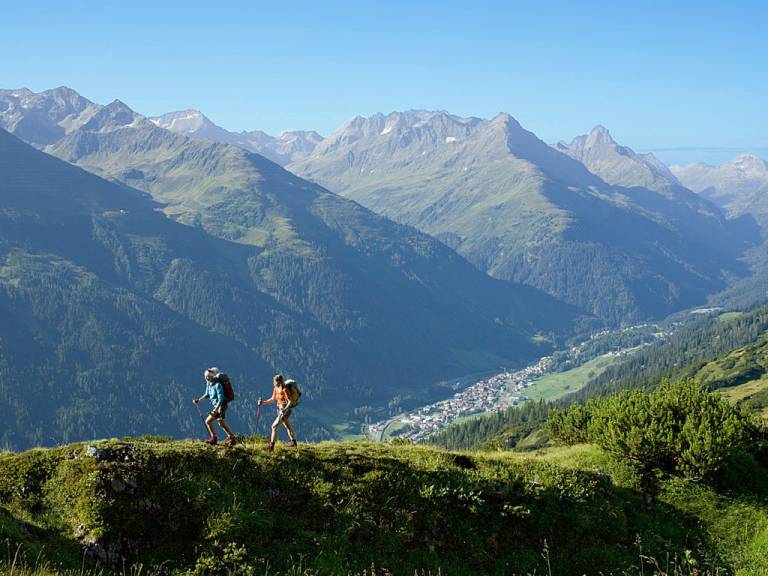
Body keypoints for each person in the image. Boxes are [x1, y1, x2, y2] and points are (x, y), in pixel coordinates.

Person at [192, 367, 236, 446]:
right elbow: (207, 394)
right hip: (217, 406)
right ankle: (231, 438)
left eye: (208, 376)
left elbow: (221, 398)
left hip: (221, 406)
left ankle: (214, 439)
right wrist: (198, 400)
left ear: (212, 376)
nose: (206, 378)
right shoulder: (209, 384)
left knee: (208, 421)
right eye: (205, 376)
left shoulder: (218, 385)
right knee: (221, 423)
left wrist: (216, 409)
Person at [259, 374, 298, 451]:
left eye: (275, 381)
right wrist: (263, 402)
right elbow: (272, 399)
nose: (273, 382)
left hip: (285, 411)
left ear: (279, 382)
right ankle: (294, 442)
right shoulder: (276, 389)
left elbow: (290, 401)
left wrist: (285, 409)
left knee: (274, 426)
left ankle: (271, 446)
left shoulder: (285, 390)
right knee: (288, 426)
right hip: (279, 410)